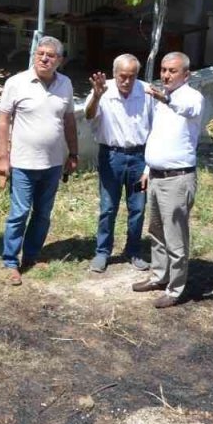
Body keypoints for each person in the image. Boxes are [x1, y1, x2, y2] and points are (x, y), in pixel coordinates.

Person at [0, 36, 78, 286]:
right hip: (22, 163)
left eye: (50, 55)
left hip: (52, 164)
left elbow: (70, 121)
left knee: (43, 213)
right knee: (19, 213)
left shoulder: (65, 84)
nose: (44, 58)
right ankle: (11, 260)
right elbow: (3, 120)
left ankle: (31, 254)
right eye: (40, 53)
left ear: (59, 60)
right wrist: (2, 157)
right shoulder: (16, 83)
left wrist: (73, 154)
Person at [132, 52, 204, 308]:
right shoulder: (159, 100)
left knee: (175, 236)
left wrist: (166, 98)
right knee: (156, 231)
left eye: (172, 71)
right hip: (157, 176)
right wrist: (148, 168)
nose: (166, 75)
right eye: (163, 70)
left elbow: (187, 109)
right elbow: (159, 135)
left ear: (186, 74)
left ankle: (175, 289)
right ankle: (158, 276)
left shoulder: (191, 97)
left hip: (178, 179)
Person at [84, 53, 154, 273]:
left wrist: (149, 164)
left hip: (139, 159)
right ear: (115, 74)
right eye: (123, 76)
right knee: (108, 207)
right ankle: (102, 252)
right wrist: (96, 96)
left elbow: (156, 127)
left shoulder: (147, 91)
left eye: (132, 76)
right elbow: (88, 115)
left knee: (138, 208)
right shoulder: (103, 90)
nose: (127, 81)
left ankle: (133, 251)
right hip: (111, 158)